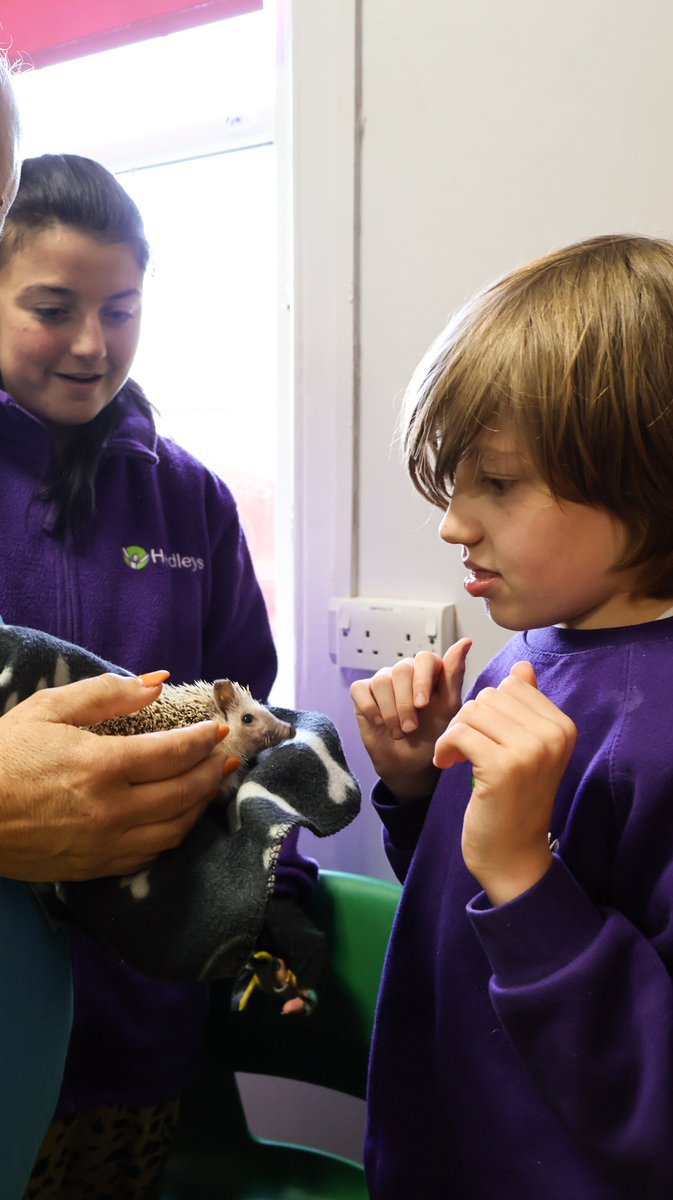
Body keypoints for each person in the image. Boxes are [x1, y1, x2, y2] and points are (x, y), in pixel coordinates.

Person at [0, 150, 318, 1200]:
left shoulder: (191, 502)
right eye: (54, 307)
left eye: (121, 308)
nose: (93, 345)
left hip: (140, 1021)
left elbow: (249, 721)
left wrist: (278, 898)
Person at [351, 234, 673, 1199]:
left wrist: (526, 872)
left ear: (645, 476)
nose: (454, 523)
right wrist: (417, 792)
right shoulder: (528, 650)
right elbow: (473, 908)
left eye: (495, 482)